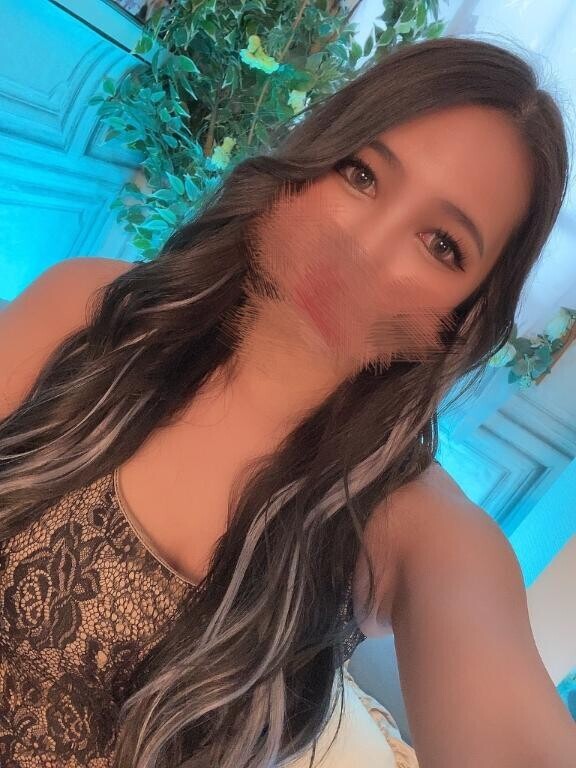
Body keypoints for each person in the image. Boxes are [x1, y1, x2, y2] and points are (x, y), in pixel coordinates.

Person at [0, 35, 574, 768]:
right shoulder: (90, 315)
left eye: (441, 244)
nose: (364, 248)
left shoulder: (414, 528)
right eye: (361, 174)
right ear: (307, 165)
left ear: (467, 314)